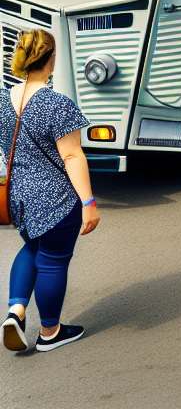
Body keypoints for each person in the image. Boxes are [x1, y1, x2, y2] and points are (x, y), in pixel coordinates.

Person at [1, 30, 99, 353]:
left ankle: (16, 311)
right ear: (51, 58)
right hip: (57, 199)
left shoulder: (3, 101)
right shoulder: (57, 104)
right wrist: (88, 202)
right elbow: (72, 156)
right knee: (54, 260)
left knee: (32, 248)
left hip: (20, 198)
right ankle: (50, 332)